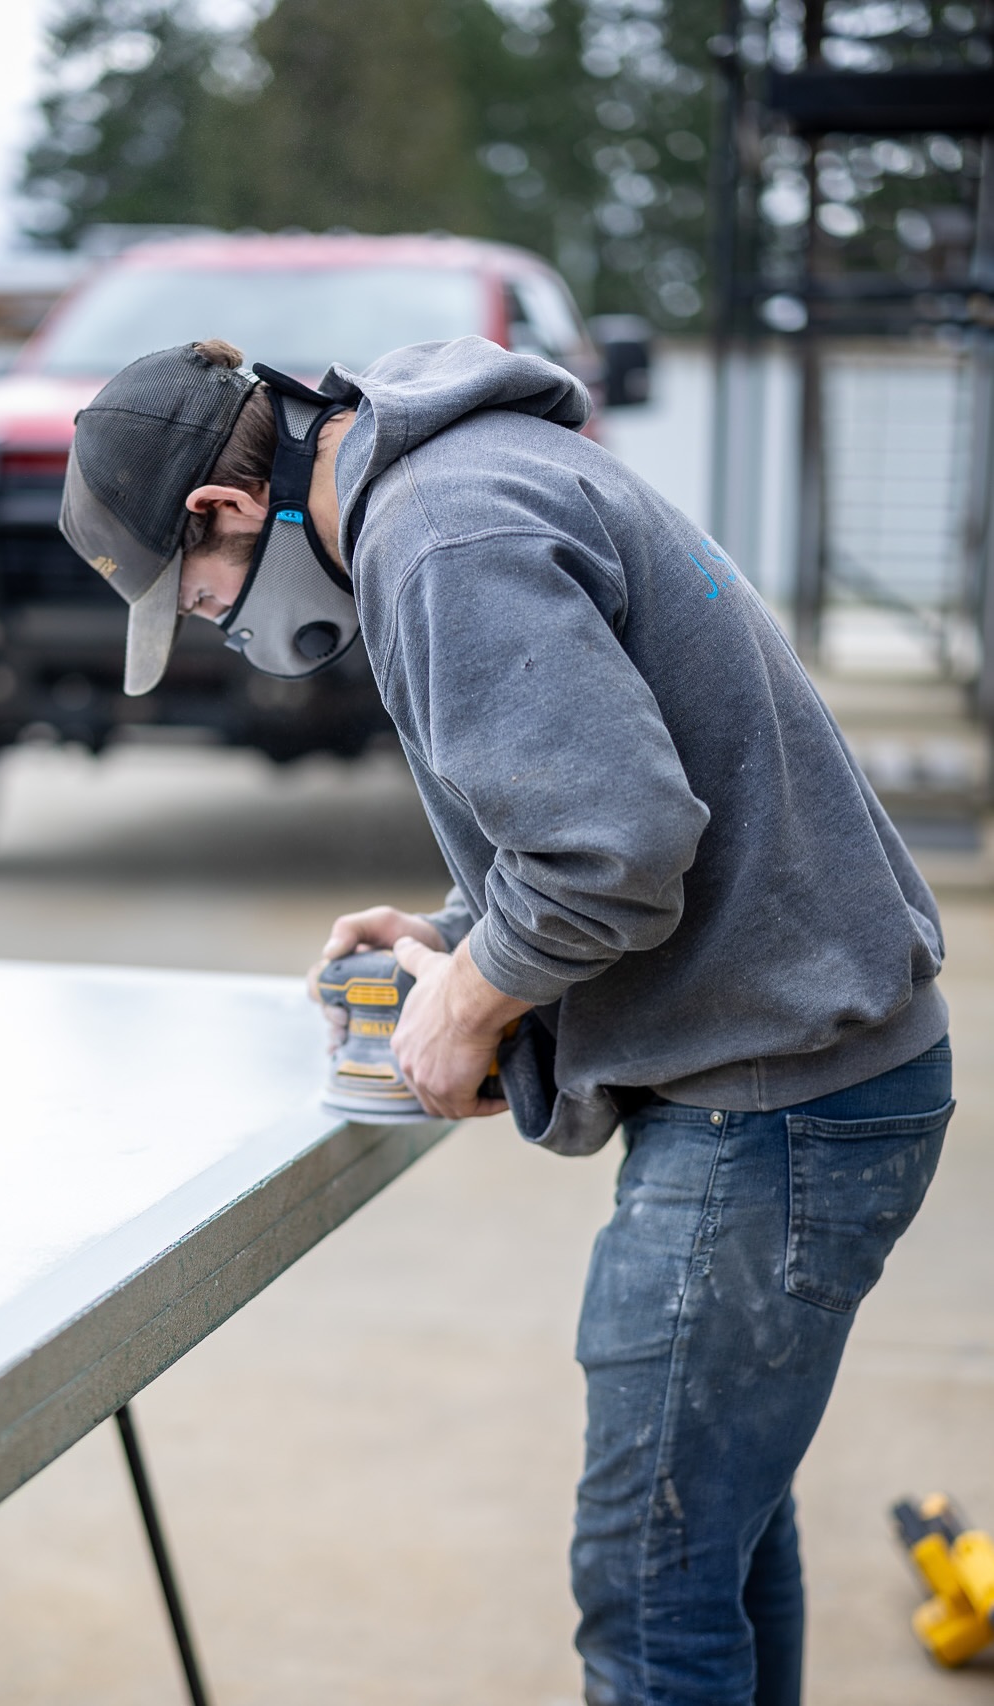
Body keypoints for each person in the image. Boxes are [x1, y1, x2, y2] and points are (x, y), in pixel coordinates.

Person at [59, 334, 954, 1706]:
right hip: (804, 1079)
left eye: (199, 597)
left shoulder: (440, 537)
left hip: (774, 1110)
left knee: (649, 1591)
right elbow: (597, 795)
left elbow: (616, 849)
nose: (219, 625)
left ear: (224, 511)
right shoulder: (469, 478)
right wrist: (453, 933)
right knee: (709, 1536)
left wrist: (470, 1004)